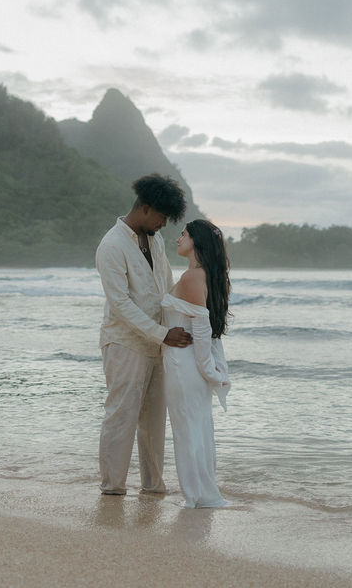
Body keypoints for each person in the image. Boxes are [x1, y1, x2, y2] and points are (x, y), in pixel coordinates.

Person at [96, 174, 192, 496]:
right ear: (146, 209)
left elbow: (165, 286)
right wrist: (162, 334)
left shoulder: (155, 240)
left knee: (154, 420)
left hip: (158, 343)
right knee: (121, 415)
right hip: (124, 343)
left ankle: (153, 486)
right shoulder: (111, 245)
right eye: (162, 218)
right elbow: (120, 303)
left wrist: (188, 317)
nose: (164, 225)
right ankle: (113, 488)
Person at [161, 219, 232, 508]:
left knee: (187, 430)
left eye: (184, 234)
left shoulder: (192, 278)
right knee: (198, 429)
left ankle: (194, 497)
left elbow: (203, 332)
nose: (178, 239)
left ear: (197, 241)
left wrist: (209, 371)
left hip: (183, 365)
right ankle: (201, 493)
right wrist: (213, 371)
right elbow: (212, 335)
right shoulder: (209, 276)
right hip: (191, 366)